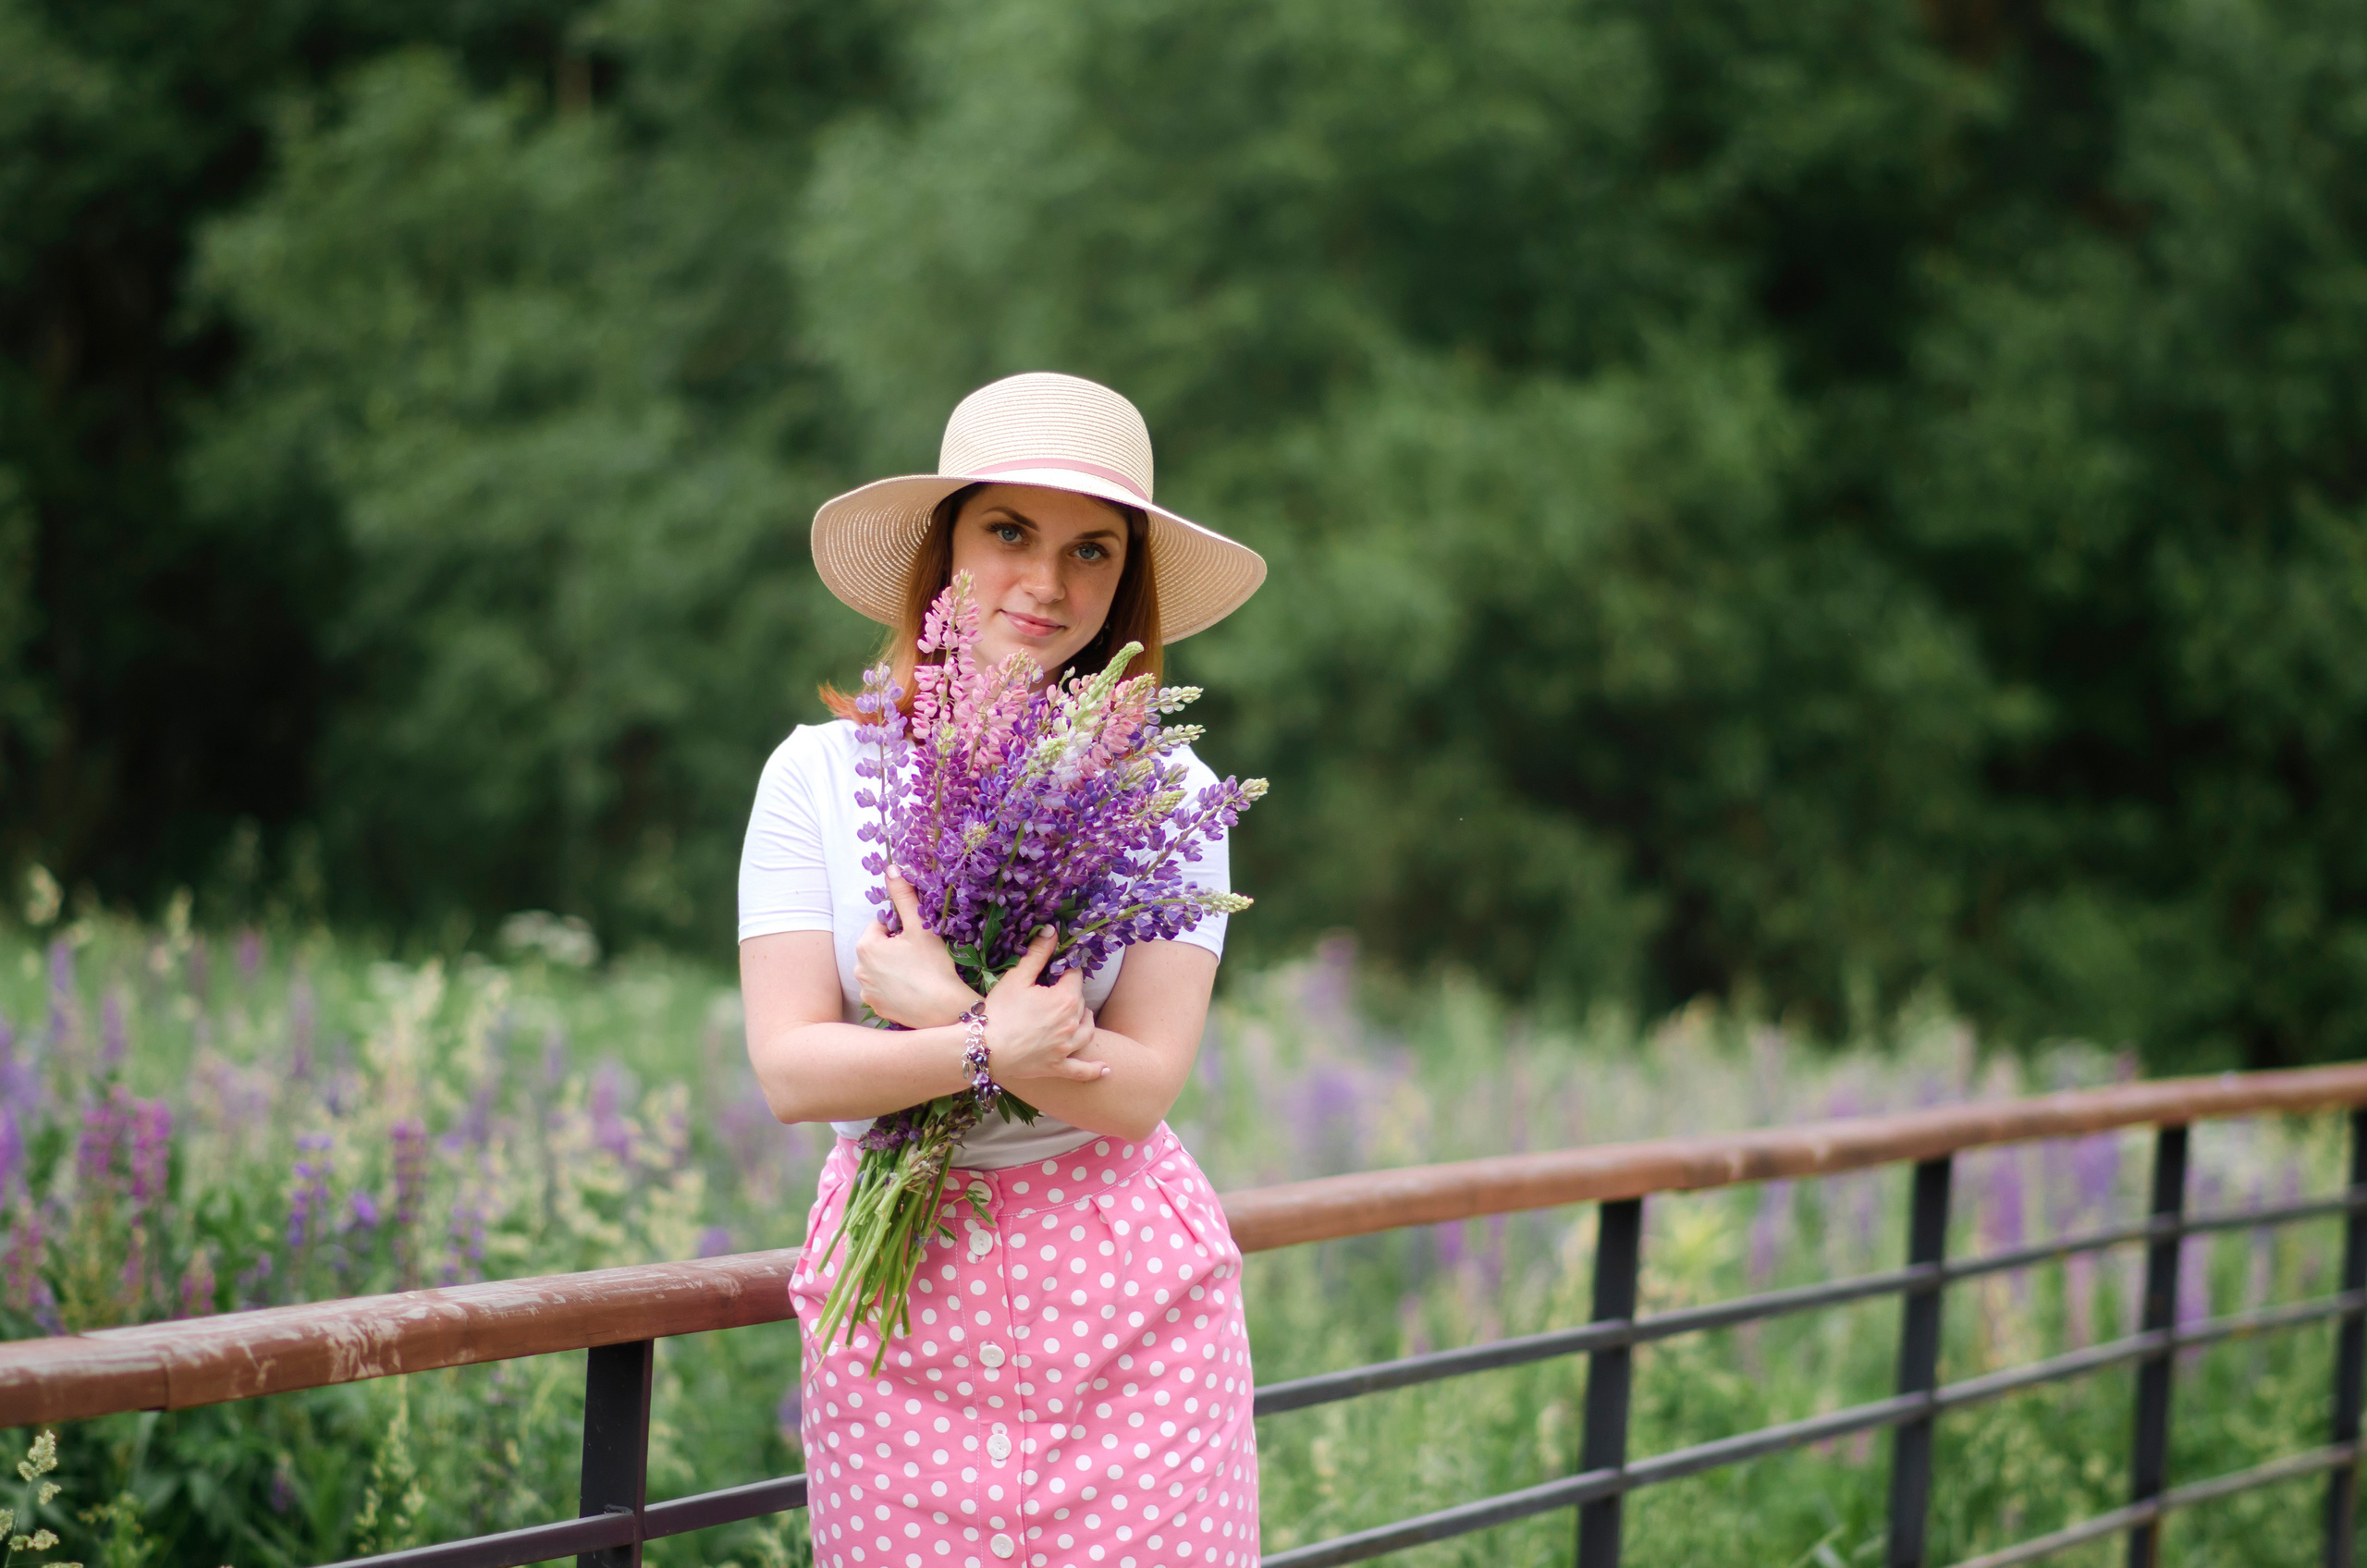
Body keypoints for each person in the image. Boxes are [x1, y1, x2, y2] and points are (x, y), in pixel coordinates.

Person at [739, 372, 1269, 1568]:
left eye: (1092, 550)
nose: (1049, 582)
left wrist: (944, 1011)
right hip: (900, 1312)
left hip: (1130, 1304)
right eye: (1010, 533)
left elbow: (1138, 1090)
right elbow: (790, 1067)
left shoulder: (1171, 795)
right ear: (944, 550)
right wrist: (987, 1047)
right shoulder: (822, 776)